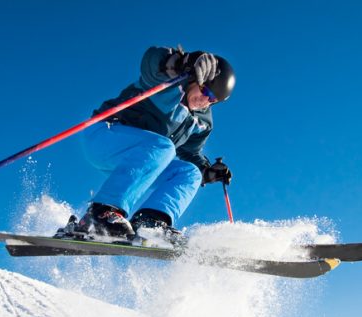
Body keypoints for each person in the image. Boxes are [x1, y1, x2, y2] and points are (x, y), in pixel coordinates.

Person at [56, 46, 235, 242]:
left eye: (213, 99)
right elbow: (151, 64)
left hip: (139, 160)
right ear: (195, 80)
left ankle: (151, 221)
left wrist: (207, 171)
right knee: (164, 147)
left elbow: (191, 151)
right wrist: (179, 63)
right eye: (205, 90)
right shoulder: (170, 83)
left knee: (189, 173)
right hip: (105, 135)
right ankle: (101, 213)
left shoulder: (202, 122)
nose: (205, 101)